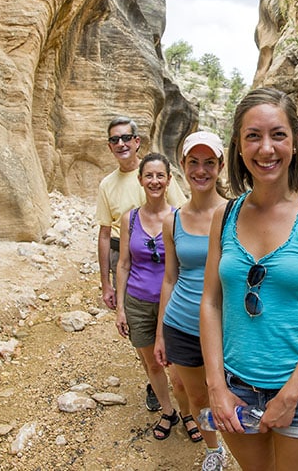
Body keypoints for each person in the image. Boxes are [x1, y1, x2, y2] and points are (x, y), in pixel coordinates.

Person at [200, 88, 298, 471]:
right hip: (236, 387)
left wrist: (289, 395)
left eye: (278, 135)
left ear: (295, 143)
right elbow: (211, 303)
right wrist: (216, 387)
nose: (266, 149)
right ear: (238, 147)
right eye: (253, 136)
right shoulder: (224, 217)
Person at [96, 115, 186, 411]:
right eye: (114, 140)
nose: (120, 144)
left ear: (137, 142)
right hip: (125, 250)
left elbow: (183, 214)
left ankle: (181, 397)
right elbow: (105, 233)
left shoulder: (154, 172)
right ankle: (154, 381)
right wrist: (106, 285)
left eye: (126, 138)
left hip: (163, 252)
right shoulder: (108, 185)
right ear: (110, 146)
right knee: (140, 332)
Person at [155, 131, 229, 470]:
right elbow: (170, 278)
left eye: (209, 163)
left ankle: (243, 445)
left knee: (230, 394)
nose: (201, 170)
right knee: (197, 396)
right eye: (194, 162)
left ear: (220, 167)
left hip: (227, 326)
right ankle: (213, 450)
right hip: (182, 324)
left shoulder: (234, 214)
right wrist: (159, 334)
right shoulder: (173, 220)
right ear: (182, 165)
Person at [116, 152, 193, 441]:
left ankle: (187, 413)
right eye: (149, 175)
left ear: (169, 180)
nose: (155, 181)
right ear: (140, 180)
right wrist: (120, 309)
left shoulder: (179, 218)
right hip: (137, 302)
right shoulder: (130, 219)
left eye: (160, 175)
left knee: (177, 373)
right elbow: (124, 263)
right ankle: (167, 411)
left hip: (172, 306)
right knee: (151, 365)